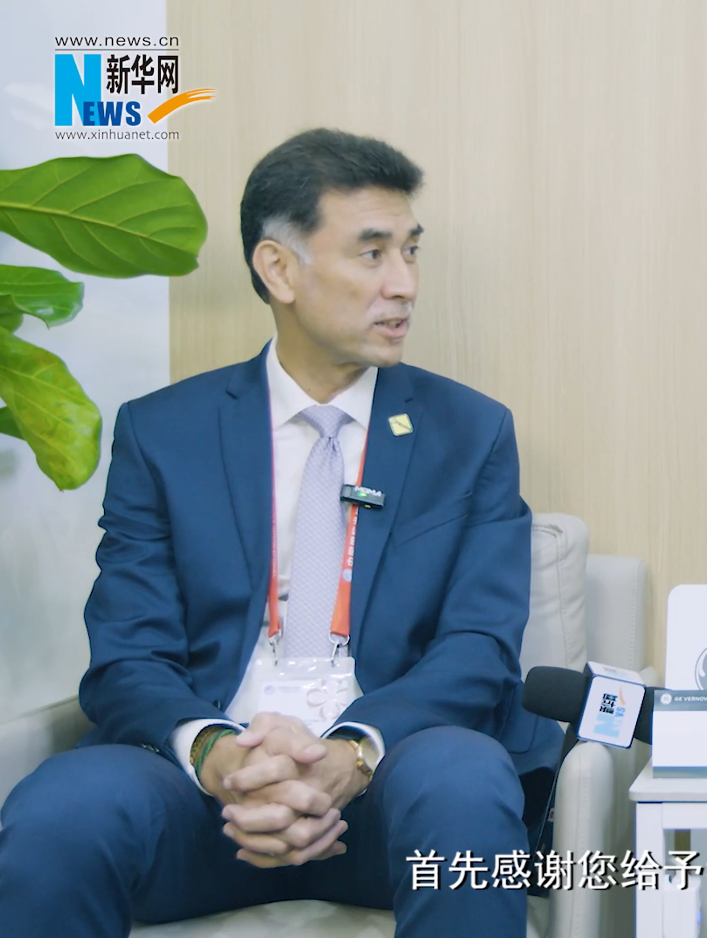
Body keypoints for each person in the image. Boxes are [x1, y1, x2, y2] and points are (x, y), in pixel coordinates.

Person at [0, 129, 561, 937]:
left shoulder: (469, 432)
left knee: (464, 779)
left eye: (410, 251)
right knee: (62, 806)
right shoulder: (165, 433)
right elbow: (128, 657)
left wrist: (351, 753)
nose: (404, 284)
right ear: (279, 269)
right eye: (372, 253)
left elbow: (477, 650)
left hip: (392, 793)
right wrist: (218, 755)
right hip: (206, 802)